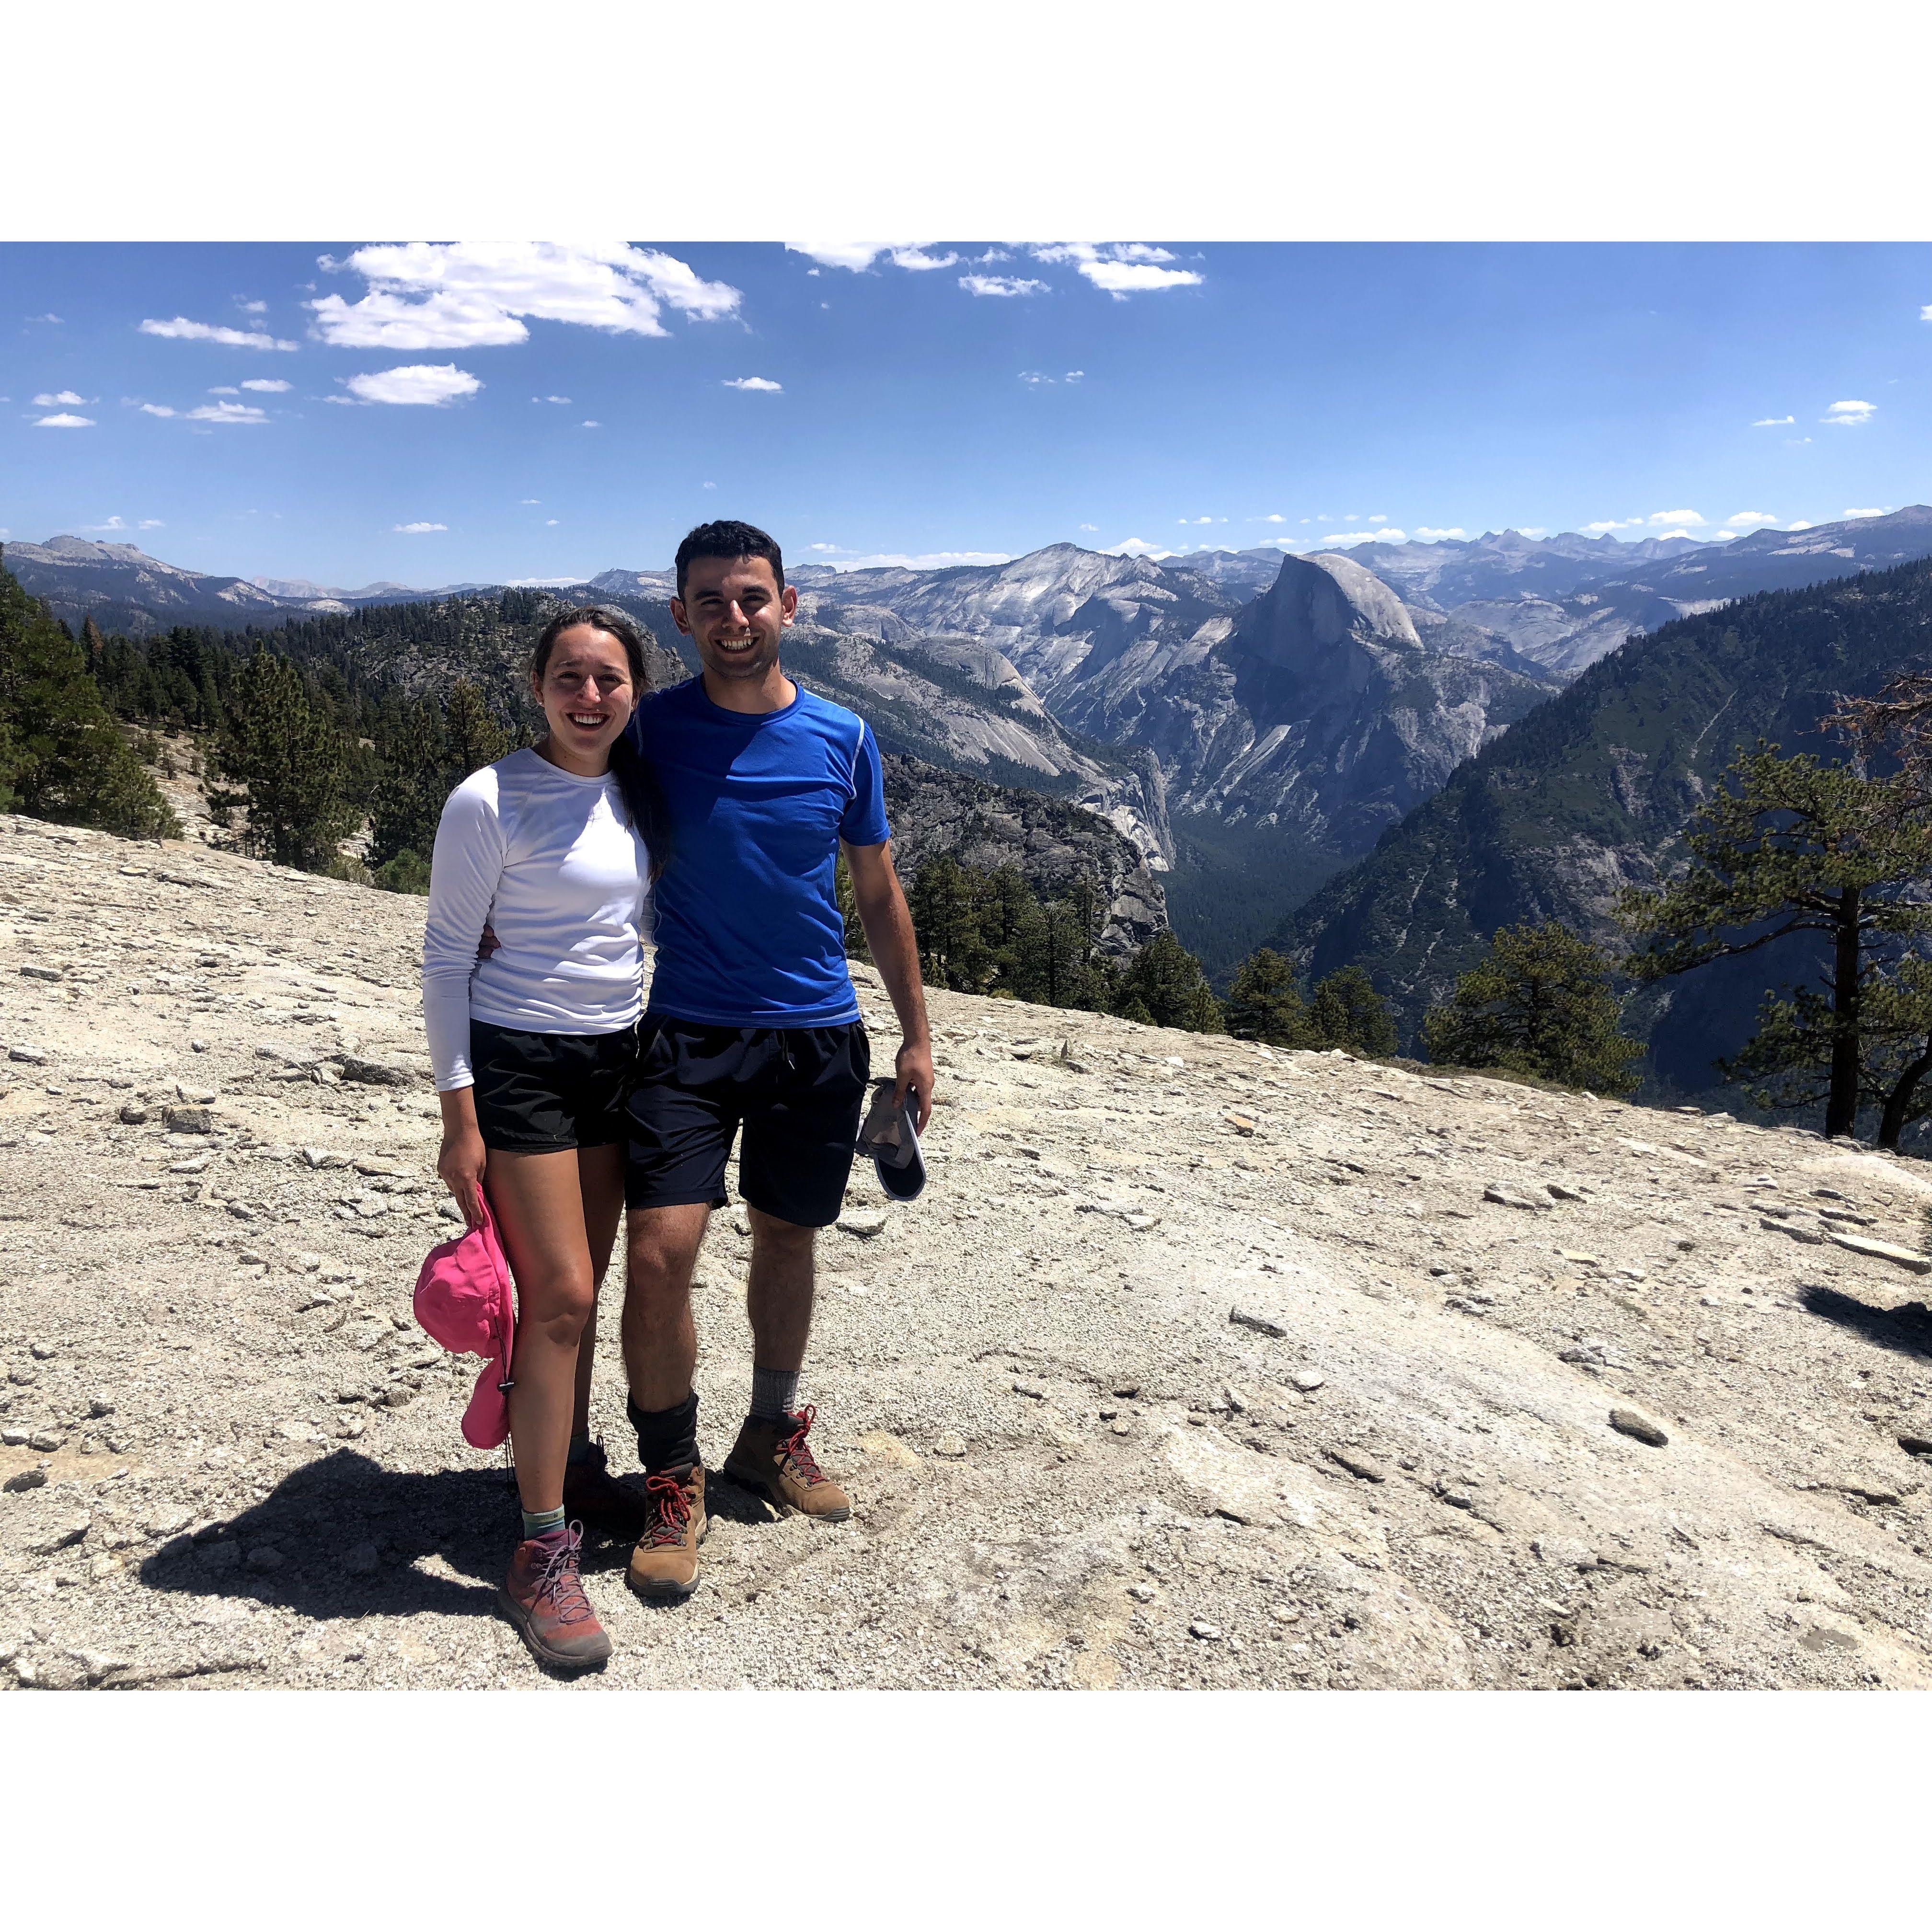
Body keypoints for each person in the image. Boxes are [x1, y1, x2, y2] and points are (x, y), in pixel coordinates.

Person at [618, 519, 934, 1600]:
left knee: (789, 1240)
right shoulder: (648, 728)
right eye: (711, 601)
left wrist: (918, 1034)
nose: (735, 618)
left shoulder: (846, 738)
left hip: (815, 1034)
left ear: (789, 606)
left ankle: (767, 1432)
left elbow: (879, 893)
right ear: (682, 617)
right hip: (684, 1031)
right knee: (661, 1250)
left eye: (752, 597)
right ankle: (671, 1473)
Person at [422, 606, 666, 1670]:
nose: (590, 694)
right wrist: (457, 1114)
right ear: (537, 687)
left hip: (615, 1060)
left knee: (584, 1288)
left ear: (634, 692)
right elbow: (442, 958)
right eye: (569, 675)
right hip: (519, 1066)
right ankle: (538, 1549)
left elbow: (635, 923)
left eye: (609, 678)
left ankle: (561, 1463)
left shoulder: (635, 788)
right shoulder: (489, 798)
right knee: (558, 1296)